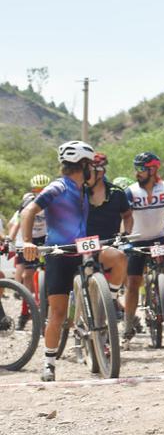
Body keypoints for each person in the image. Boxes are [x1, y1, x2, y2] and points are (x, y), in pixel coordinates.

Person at [20, 141, 96, 381]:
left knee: (100, 291)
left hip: (83, 250)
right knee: (58, 312)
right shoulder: (58, 187)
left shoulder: (84, 188)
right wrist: (28, 241)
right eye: (90, 165)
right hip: (58, 253)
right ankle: (49, 362)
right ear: (83, 165)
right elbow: (28, 211)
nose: (92, 170)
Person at [122, 152, 164, 349]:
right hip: (137, 241)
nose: (136, 173)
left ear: (153, 169)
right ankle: (128, 325)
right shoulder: (130, 191)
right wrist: (123, 237)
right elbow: (125, 217)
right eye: (136, 168)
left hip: (158, 239)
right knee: (132, 284)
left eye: (140, 169)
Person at [85, 153, 131, 299]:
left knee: (121, 257)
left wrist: (126, 233)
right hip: (81, 243)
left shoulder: (117, 193)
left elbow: (127, 215)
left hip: (108, 243)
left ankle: (111, 299)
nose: (85, 175)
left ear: (100, 172)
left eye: (88, 172)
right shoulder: (78, 192)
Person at [9, 174, 49, 329]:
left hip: (46, 237)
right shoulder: (27, 202)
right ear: (33, 189)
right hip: (30, 239)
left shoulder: (53, 200)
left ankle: (50, 310)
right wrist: (9, 239)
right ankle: (25, 312)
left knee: (51, 274)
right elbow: (18, 222)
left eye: (43, 189)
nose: (40, 192)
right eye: (37, 189)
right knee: (27, 275)